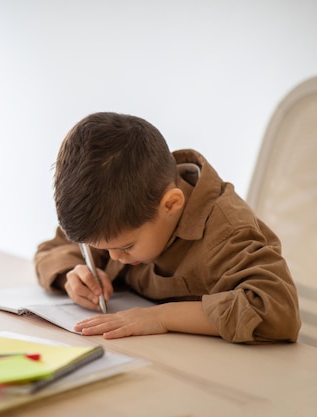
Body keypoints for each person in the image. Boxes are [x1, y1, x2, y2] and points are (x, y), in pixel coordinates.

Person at [34, 112, 300, 344]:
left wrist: (160, 317)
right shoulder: (117, 211)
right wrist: (72, 275)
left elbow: (276, 310)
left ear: (171, 204)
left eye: (126, 247)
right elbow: (52, 250)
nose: (114, 257)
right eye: (99, 248)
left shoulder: (227, 231)